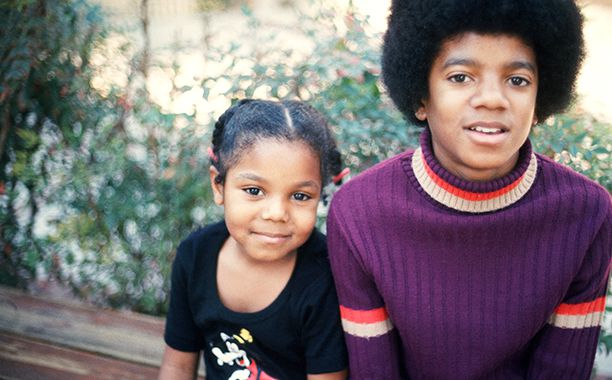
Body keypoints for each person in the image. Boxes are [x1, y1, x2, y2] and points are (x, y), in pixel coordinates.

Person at [326, 0, 612, 379]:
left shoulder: (586, 214)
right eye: (460, 77)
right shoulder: (359, 213)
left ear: (541, 101)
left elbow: (560, 369)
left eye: (517, 80)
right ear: (421, 96)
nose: (492, 98)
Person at [159, 99, 349, 380]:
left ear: (319, 194)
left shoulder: (324, 279)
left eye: (300, 196)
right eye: (254, 190)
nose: (276, 214)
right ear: (219, 185)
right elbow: (177, 366)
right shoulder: (195, 256)